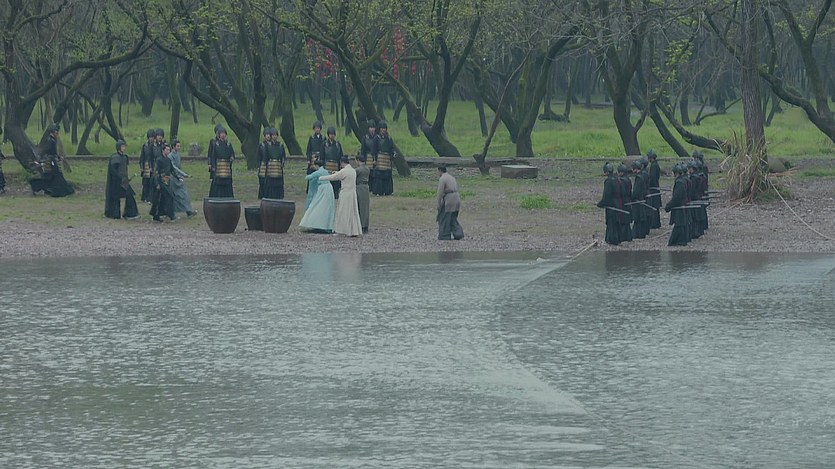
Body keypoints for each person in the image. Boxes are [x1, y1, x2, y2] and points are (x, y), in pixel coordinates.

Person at [320, 156, 362, 237]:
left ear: (342, 163)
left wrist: (321, 178)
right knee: (352, 212)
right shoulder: (352, 170)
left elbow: (333, 177)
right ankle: (353, 230)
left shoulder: (344, 171)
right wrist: (337, 172)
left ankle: (341, 230)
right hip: (352, 193)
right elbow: (341, 175)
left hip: (345, 193)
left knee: (343, 211)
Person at [30, 123, 74, 197]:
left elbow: (52, 153)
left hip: (52, 160)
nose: (57, 134)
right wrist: (40, 160)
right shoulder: (50, 141)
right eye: (56, 132)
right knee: (55, 175)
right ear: (52, 132)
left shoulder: (52, 140)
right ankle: (60, 191)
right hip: (51, 161)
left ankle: (57, 190)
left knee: (51, 177)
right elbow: (48, 152)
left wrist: (58, 157)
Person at [104, 140, 139, 220]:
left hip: (124, 181)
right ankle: (114, 214)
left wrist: (126, 178)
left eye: (124, 146)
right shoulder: (115, 157)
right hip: (116, 182)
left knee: (130, 195)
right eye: (122, 146)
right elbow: (113, 171)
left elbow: (124, 169)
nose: (124, 148)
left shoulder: (125, 157)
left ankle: (129, 213)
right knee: (115, 199)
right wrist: (119, 178)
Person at [299, 160, 335, 233]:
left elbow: (308, 177)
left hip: (323, 188)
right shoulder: (325, 171)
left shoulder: (318, 172)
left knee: (317, 204)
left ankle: (315, 223)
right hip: (329, 187)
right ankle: (326, 225)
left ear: (317, 165)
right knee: (326, 206)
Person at [596, 162, 622, 245]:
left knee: (611, 223)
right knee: (616, 222)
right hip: (618, 203)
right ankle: (617, 238)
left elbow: (606, 195)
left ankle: (612, 239)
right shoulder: (617, 179)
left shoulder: (608, 181)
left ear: (606, 172)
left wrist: (600, 204)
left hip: (611, 205)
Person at [169, 139, 196, 218]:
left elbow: (179, 167)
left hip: (179, 178)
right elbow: (174, 167)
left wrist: (182, 175)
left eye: (179, 146)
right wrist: (184, 174)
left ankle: (189, 211)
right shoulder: (170, 156)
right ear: (173, 147)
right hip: (173, 178)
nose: (179, 147)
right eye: (177, 146)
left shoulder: (178, 155)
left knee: (184, 195)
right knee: (174, 196)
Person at [665, 164, 690, 246]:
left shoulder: (679, 182)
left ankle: (677, 241)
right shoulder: (682, 181)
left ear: (676, 173)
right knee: (680, 224)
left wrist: (669, 205)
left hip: (679, 206)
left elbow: (677, 197)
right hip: (682, 204)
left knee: (679, 224)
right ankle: (681, 240)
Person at [436, 166, 464, 240]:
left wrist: (438, 204)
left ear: (440, 170)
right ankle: (459, 234)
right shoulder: (452, 177)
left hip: (449, 199)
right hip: (457, 197)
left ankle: (444, 235)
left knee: (445, 217)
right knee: (453, 218)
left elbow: (440, 193)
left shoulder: (442, 179)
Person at [150, 143, 176, 222]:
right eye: (167, 150)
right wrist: (157, 183)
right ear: (163, 150)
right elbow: (156, 172)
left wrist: (178, 177)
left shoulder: (168, 160)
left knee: (163, 198)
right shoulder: (159, 160)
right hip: (160, 180)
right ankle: (170, 215)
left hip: (166, 181)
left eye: (169, 150)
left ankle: (160, 214)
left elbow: (172, 170)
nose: (168, 151)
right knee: (168, 197)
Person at [208, 125, 235, 197]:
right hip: (219, 166)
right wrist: (213, 166)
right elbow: (213, 156)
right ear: (219, 135)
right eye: (221, 133)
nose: (223, 135)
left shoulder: (228, 144)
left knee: (227, 182)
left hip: (226, 167)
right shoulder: (216, 144)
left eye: (224, 133)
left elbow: (232, 153)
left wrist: (231, 158)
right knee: (218, 182)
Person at [263, 127, 286, 199]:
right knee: (270, 183)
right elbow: (265, 157)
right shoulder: (267, 146)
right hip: (270, 167)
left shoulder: (280, 145)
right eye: (273, 135)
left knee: (278, 182)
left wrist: (282, 163)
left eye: (275, 135)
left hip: (278, 167)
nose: (274, 137)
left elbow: (283, 156)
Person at [372, 121, 395, 196]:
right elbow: (374, 150)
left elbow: (391, 149)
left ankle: (387, 191)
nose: (383, 130)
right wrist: (374, 159)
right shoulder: (376, 138)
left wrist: (393, 154)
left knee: (387, 176)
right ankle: (379, 191)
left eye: (384, 128)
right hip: (379, 159)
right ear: (379, 129)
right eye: (382, 128)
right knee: (379, 176)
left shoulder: (389, 138)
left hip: (387, 160)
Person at [322, 126, 343, 199]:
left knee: (336, 183)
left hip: (335, 166)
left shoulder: (337, 144)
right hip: (327, 166)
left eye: (333, 134)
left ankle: (336, 195)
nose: (332, 136)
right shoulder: (324, 144)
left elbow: (341, 155)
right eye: (331, 134)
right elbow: (322, 156)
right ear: (328, 135)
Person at [630, 159, 649, 239]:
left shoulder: (639, 177)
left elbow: (636, 191)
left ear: (635, 168)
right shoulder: (642, 175)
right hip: (642, 198)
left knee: (638, 218)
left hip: (638, 200)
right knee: (640, 218)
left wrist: (632, 197)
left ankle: (637, 234)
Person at [355, 154, 371, 233]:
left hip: (359, 187)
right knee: (365, 207)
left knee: (360, 206)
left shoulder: (358, 170)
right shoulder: (367, 169)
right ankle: (366, 225)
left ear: (358, 160)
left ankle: (361, 225)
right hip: (366, 187)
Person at [616, 163, 632, 242]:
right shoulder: (628, 179)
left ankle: (624, 236)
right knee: (626, 220)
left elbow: (622, 192)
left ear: (622, 172)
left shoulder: (622, 181)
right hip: (628, 200)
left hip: (623, 201)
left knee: (623, 219)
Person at [646, 149, 662, 229]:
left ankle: (654, 223)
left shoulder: (654, 166)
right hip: (655, 186)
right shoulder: (655, 165)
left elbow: (652, 178)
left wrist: (648, 185)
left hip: (653, 188)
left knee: (654, 205)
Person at [360, 120, 378, 189]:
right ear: (368, 129)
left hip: (376, 158)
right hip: (367, 158)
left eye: (373, 127)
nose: (372, 129)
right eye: (370, 127)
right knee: (368, 173)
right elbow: (363, 150)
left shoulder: (377, 137)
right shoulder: (365, 138)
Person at [139, 129, 155, 203]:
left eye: (152, 137)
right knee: (145, 182)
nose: (151, 139)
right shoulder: (145, 146)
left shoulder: (155, 146)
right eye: (150, 137)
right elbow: (142, 157)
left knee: (152, 182)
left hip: (153, 165)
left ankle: (150, 197)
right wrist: (141, 167)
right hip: (146, 165)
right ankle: (144, 197)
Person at [256, 127, 271, 198]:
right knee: (262, 180)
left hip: (270, 165)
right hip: (263, 165)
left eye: (269, 134)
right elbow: (258, 156)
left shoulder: (272, 145)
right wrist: (259, 165)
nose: (268, 136)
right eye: (266, 134)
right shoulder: (261, 145)